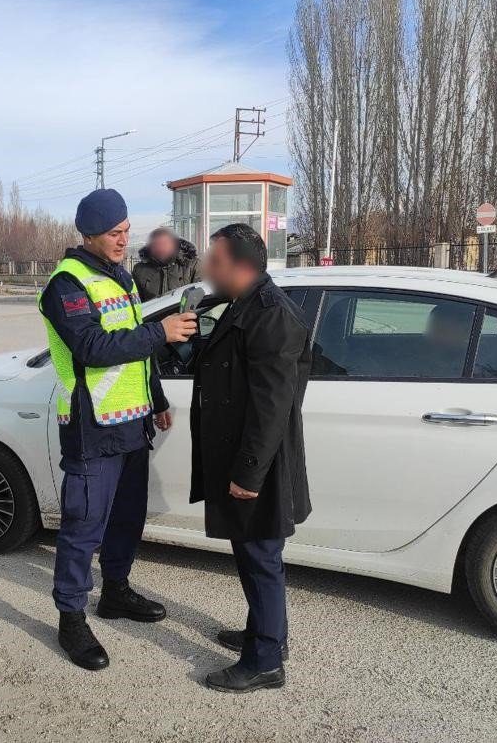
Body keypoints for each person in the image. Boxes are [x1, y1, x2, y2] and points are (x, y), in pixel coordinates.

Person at [39, 188, 197, 671]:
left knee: (127, 517)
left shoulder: (120, 278)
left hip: (131, 423)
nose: (124, 240)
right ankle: (71, 617)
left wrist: (157, 399)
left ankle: (116, 591)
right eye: (114, 233)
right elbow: (92, 347)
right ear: (89, 235)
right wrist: (161, 332)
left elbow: (137, 355)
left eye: (127, 231)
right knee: (84, 526)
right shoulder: (67, 284)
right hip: (92, 429)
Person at [189, 223, 312, 693]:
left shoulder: (270, 314)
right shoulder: (246, 304)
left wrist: (248, 473)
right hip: (247, 457)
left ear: (239, 266)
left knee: (260, 557)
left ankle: (264, 661)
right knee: (255, 554)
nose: (206, 267)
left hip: (258, 464)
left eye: (214, 260)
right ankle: (267, 635)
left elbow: (271, 405)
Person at [131, 226, 199, 301]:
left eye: (165, 243)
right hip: (153, 308)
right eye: (156, 244)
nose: (161, 248)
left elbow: (202, 296)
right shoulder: (140, 270)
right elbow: (136, 300)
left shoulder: (192, 266)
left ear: (175, 245)